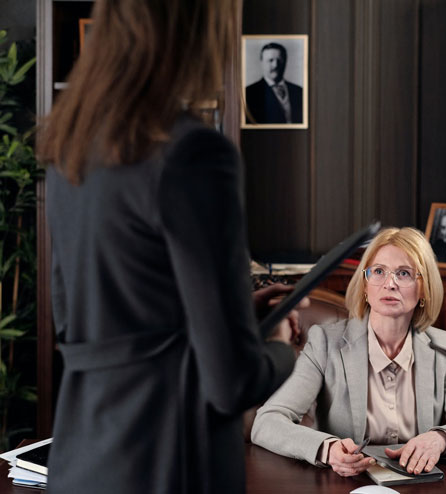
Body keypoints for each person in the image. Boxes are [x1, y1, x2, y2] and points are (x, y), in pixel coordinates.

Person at [35, 1, 302, 493]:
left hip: (84, 460)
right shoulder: (193, 153)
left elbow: (89, 325)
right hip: (170, 461)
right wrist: (282, 347)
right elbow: (232, 383)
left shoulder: (68, 149)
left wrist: (234, 312)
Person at [251, 227, 446, 477]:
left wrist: (440, 439)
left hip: (419, 485)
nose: (390, 284)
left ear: (424, 289)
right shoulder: (325, 342)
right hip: (348, 485)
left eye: (404, 273)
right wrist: (327, 448)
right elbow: (267, 421)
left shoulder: (442, 346)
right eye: (378, 271)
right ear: (365, 286)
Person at [245, 42, 303, 124]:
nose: (275, 65)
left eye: (279, 60)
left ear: (285, 61)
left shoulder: (300, 91)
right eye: (270, 60)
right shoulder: (249, 93)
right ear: (262, 62)